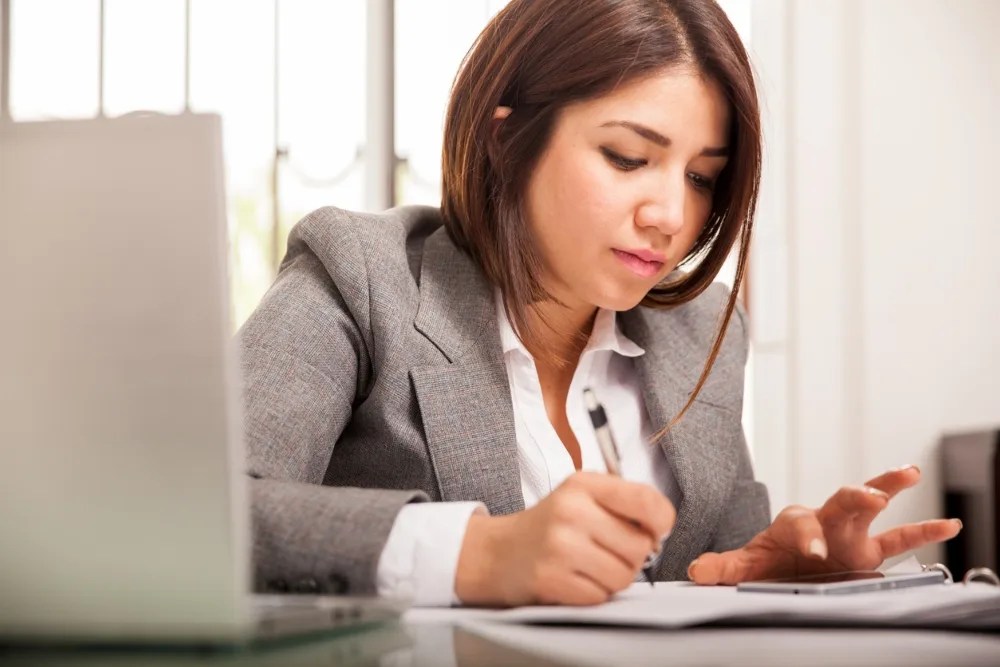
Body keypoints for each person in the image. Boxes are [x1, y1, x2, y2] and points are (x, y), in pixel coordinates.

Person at [239, 0, 960, 607]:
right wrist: (475, 553)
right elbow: (200, 510)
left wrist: (774, 581)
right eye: (627, 157)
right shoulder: (359, 275)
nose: (671, 214)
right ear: (505, 139)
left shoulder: (703, 332)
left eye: (704, 178)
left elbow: (717, 573)